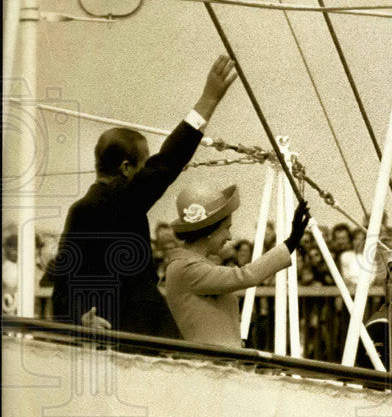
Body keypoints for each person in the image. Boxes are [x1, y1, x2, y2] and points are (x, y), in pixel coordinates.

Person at [49, 55, 237, 336]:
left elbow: (62, 283)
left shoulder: (79, 210)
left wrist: (78, 320)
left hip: (106, 331)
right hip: (137, 328)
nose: (147, 171)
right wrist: (207, 101)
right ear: (126, 168)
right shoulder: (121, 200)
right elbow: (167, 163)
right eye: (143, 164)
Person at [163, 183, 310, 348]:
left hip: (216, 363)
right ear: (210, 231)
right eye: (227, 228)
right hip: (209, 366)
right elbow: (246, 276)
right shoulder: (187, 268)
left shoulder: (190, 265)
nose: (229, 236)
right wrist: (291, 242)